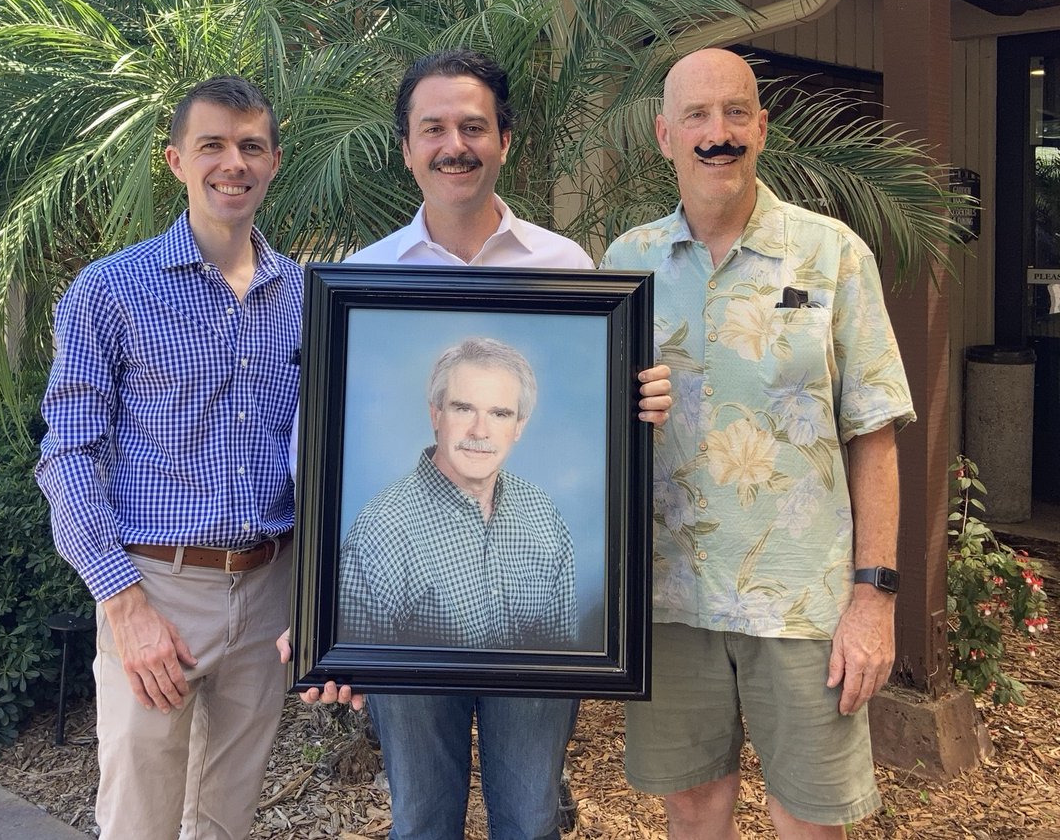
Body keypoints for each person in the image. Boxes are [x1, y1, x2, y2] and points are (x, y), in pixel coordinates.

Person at [280, 48, 671, 840]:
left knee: (531, 820)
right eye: (434, 128)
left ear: (504, 141)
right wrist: (317, 618)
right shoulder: (363, 279)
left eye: (472, 126)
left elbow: (611, 433)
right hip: (406, 664)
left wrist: (641, 405)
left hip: (535, 667)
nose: (454, 144)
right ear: (407, 147)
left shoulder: (567, 269)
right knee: (422, 821)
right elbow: (310, 453)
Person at [599, 47, 916, 839]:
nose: (718, 134)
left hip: (805, 601)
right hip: (668, 598)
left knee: (810, 819)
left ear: (763, 129)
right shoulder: (625, 263)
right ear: (664, 135)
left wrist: (873, 598)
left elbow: (874, 435)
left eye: (736, 113)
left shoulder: (832, 254)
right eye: (698, 117)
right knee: (693, 809)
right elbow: (589, 430)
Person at [36, 75, 300, 840]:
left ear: (274, 161)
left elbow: (326, 446)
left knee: (226, 819)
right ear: (176, 160)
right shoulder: (109, 291)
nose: (233, 163)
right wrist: (121, 602)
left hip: (267, 590)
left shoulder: (309, 296)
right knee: (140, 819)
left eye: (251, 146)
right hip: (156, 588)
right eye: (212, 144)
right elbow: (68, 451)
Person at [338, 336, 578, 650]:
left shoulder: (542, 512)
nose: (479, 431)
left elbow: (562, 657)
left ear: (519, 426)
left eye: (499, 414)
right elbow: (356, 665)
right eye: (463, 409)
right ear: (436, 415)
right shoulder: (381, 531)